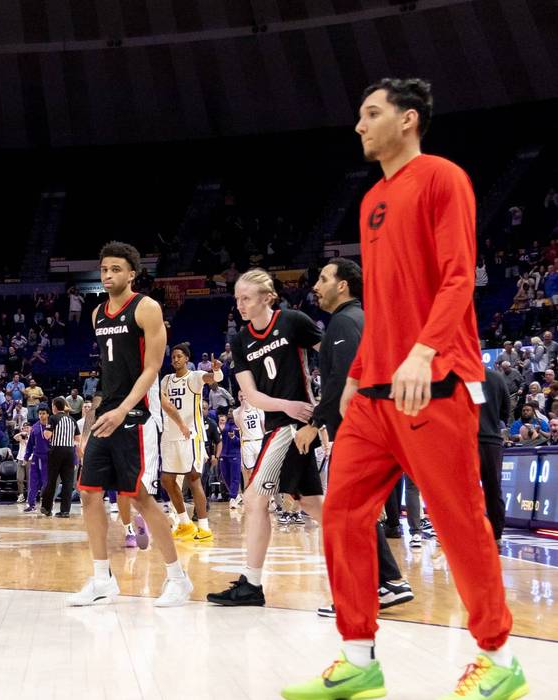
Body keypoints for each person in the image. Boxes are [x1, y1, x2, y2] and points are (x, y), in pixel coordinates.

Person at [284, 79, 527, 699]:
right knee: (341, 514)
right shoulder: (371, 202)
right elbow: (385, 302)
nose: (360, 126)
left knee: (457, 520)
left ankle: (499, 659)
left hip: (435, 384)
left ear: (408, 119)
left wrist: (425, 350)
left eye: (372, 114)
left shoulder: (444, 178)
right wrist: (361, 371)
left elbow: (456, 277)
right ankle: (358, 657)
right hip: (376, 395)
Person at [68, 241, 191, 608]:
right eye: (104, 269)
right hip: (108, 414)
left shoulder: (147, 308)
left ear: (132, 273)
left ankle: (178, 578)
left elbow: (153, 368)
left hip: (136, 418)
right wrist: (88, 428)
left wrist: (123, 409)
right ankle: (102, 578)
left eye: (116, 269)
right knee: (89, 493)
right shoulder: (97, 315)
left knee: (139, 497)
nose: (108, 275)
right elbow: (106, 377)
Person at [303, 258, 414, 619]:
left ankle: (365, 591)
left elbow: (344, 381)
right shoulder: (356, 320)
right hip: (371, 428)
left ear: (343, 285)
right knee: (355, 512)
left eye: (323, 278)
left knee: (345, 513)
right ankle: (389, 582)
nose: (316, 286)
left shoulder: (345, 322)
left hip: (361, 430)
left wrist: (316, 421)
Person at [208, 269, 324, 609]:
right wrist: (285, 403)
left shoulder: (292, 322)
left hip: (295, 426)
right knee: (312, 504)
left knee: (255, 499)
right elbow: (251, 395)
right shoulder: (241, 340)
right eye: (237, 299)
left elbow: (332, 355)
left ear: (267, 298)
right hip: (279, 419)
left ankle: (252, 584)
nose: (240, 305)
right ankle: (375, 564)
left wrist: (320, 405)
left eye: (246, 298)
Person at [158, 342, 221, 542]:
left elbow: (212, 379)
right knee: (167, 480)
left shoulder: (194, 377)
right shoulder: (166, 380)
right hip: (169, 435)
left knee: (193, 478)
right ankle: (184, 522)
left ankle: (204, 526)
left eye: (179, 356)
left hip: (191, 435)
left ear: (187, 359)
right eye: (173, 356)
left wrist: (217, 371)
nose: (175, 359)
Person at [480, 368, 510, 541]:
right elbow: (506, 411)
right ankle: (496, 536)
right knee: (494, 490)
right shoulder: (497, 377)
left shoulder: (458, 374)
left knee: (466, 491)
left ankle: (466, 535)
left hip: (468, 440)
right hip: (492, 441)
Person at [41, 397, 79, 518]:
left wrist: (45, 432)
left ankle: (47, 508)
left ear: (55, 407)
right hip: (70, 451)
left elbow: (47, 436)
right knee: (68, 482)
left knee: (52, 480)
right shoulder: (72, 420)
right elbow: (77, 439)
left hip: (57, 450)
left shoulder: (53, 418)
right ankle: (65, 511)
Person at [232, 394, 264, 510]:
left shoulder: (258, 408)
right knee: (248, 472)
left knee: (262, 471)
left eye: (244, 395)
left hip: (259, 441)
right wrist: (242, 407)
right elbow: (239, 425)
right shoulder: (236, 412)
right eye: (240, 396)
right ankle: (250, 498)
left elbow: (263, 427)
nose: (242, 397)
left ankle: (265, 498)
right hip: (246, 443)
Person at [22, 407, 50, 512]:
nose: (41, 416)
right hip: (36, 457)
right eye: (40, 414)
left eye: (43, 413)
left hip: (47, 458)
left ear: (48, 414)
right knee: (33, 481)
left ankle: (46, 504)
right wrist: (26, 457)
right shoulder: (35, 427)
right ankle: (31, 504)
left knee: (46, 482)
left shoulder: (51, 426)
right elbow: (30, 444)